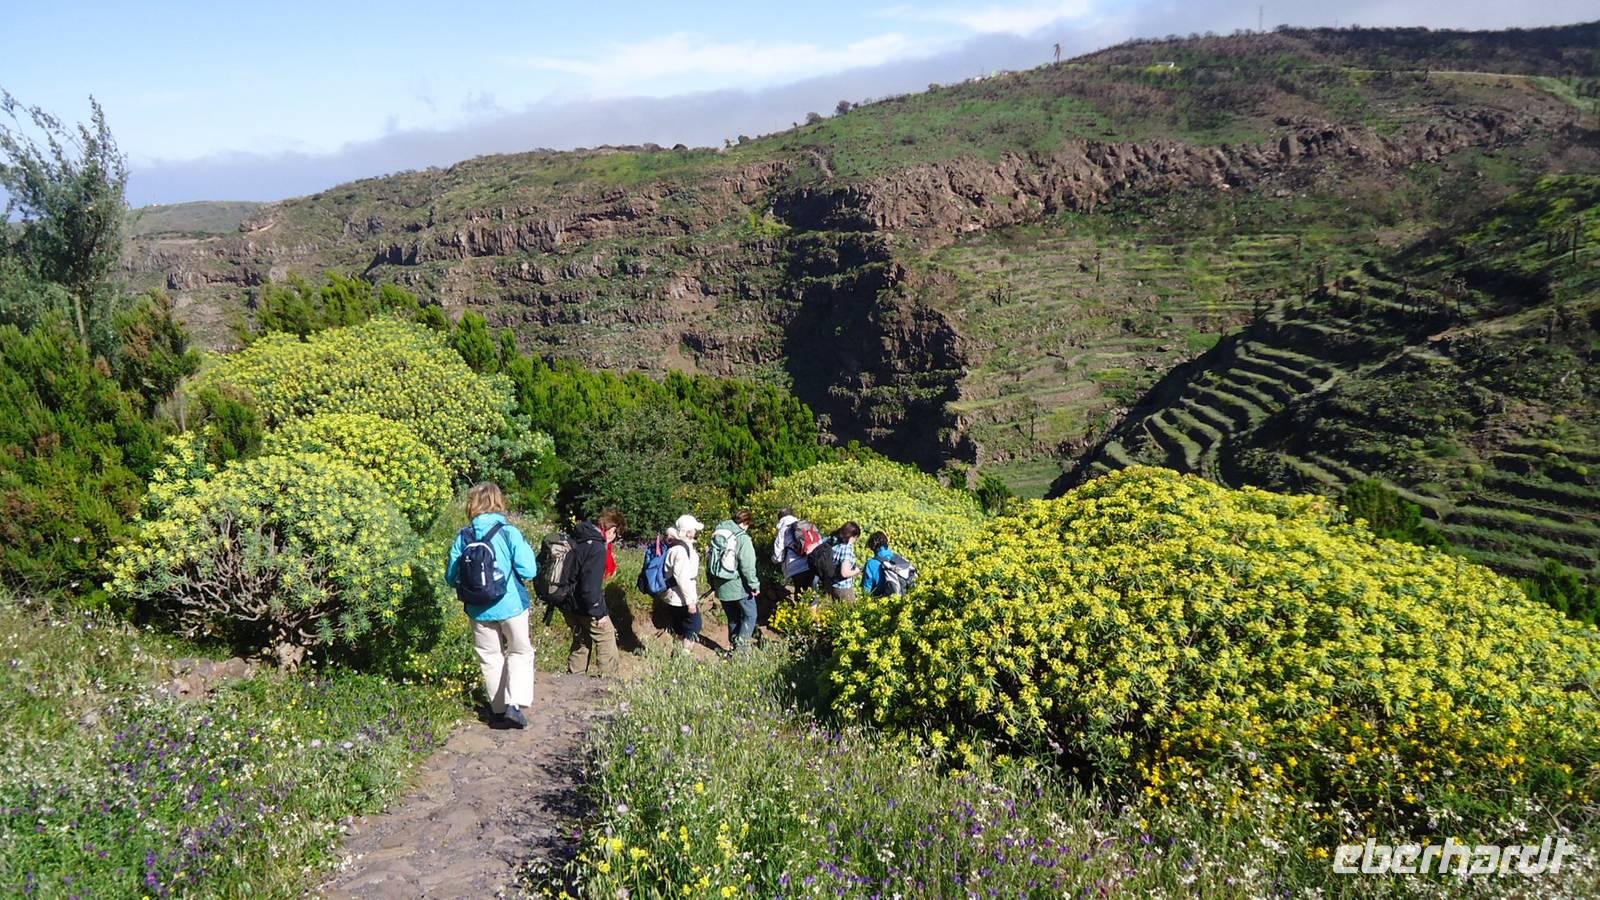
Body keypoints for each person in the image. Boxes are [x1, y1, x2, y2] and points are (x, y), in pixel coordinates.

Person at [445, 482, 538, 728]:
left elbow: (450, 577)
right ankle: (514, 705)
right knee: (519, 652)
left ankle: (497, 712)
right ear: (499, 502)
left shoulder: (464, 536)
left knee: (490, 657)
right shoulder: (508, 532)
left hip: (477, 608)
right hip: (511, 605)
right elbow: (529, 569)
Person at [563, 508, 625, 677]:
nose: (614, 538)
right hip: (585, 605)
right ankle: (607, 682)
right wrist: (599, 613)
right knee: (606, 637)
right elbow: (590, 587)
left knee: (582, 640)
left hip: (567, 601)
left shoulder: (580, 537)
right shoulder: (597, 547)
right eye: (616, 533)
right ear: (611, 530)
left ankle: (572, 681)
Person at [709, 510, 762, 653]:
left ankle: (733, 646)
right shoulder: (743, 538)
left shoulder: (718, 534)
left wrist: (712, 584)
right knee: (750, 615)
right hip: (738, 585)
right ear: (746, 523)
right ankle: (741, 650)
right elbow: (747, 566)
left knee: (733, 618)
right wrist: (754, 585)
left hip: (721, 584)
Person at [663, 514, 706, 656]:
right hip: (680, 596)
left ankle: (677, 654)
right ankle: (683, 657)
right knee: (694, 626)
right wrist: (690, 602)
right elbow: (682, 578)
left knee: (680, 628)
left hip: (672, 594)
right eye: (693, 529)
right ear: (688, 531)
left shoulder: (675, 545)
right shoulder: (681, 550)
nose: (695, 532)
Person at [773, 508, 816, 602]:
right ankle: (813, 615)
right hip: (812, 563)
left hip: (796, 567)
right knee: (812, 594)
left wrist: (773, 560)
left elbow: (778, 556)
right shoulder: (804, 525)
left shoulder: (782, 530)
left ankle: (802, 615)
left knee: (800, 596)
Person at [828, 521, 863, 601]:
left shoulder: (835, 543)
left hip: (832, 585)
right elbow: (844, 573)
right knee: (850, 612)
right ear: (853, 536)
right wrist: (856, 571)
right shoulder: (846, 548)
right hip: (843, 588)